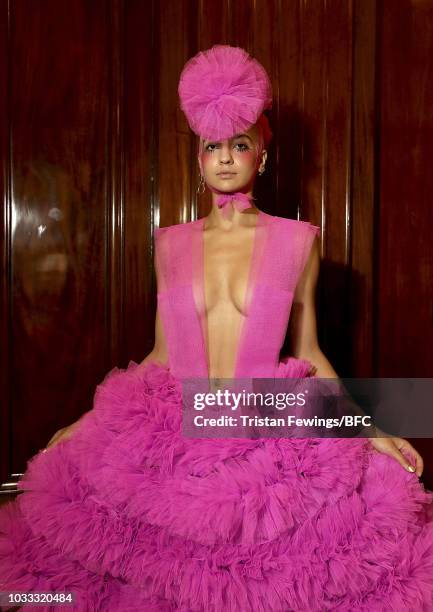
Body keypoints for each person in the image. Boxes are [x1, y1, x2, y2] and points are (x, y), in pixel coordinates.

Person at [1, 44, 433, 612]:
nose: (225, 158)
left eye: (240, 144)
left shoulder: (298, 240)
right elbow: (159, 353)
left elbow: (309, 352)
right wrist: (86, 420)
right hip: (173, 431)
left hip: (268, 434)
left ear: (263, 157)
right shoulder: (170, 244)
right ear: (197, 158)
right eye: (212, 146)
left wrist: (369, 426)